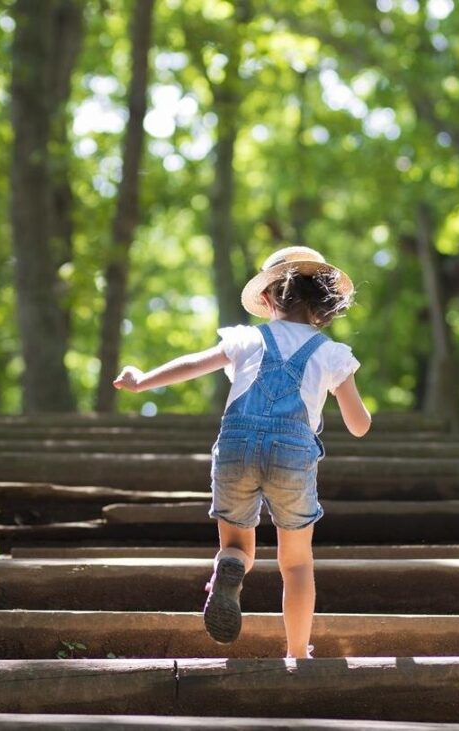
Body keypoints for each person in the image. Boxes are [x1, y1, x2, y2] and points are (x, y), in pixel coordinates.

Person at [112, 246, 371, 659]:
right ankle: (298, 652)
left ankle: (230, 567)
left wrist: (142, 381)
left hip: (236, 448)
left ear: (267, 300)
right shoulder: (331, 354)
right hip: (292, 456)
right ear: (323, 306)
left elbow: (193, 363)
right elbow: (359, 426)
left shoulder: (247, 338)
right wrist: (345, 394)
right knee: (297, 563)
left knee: (236, 545)